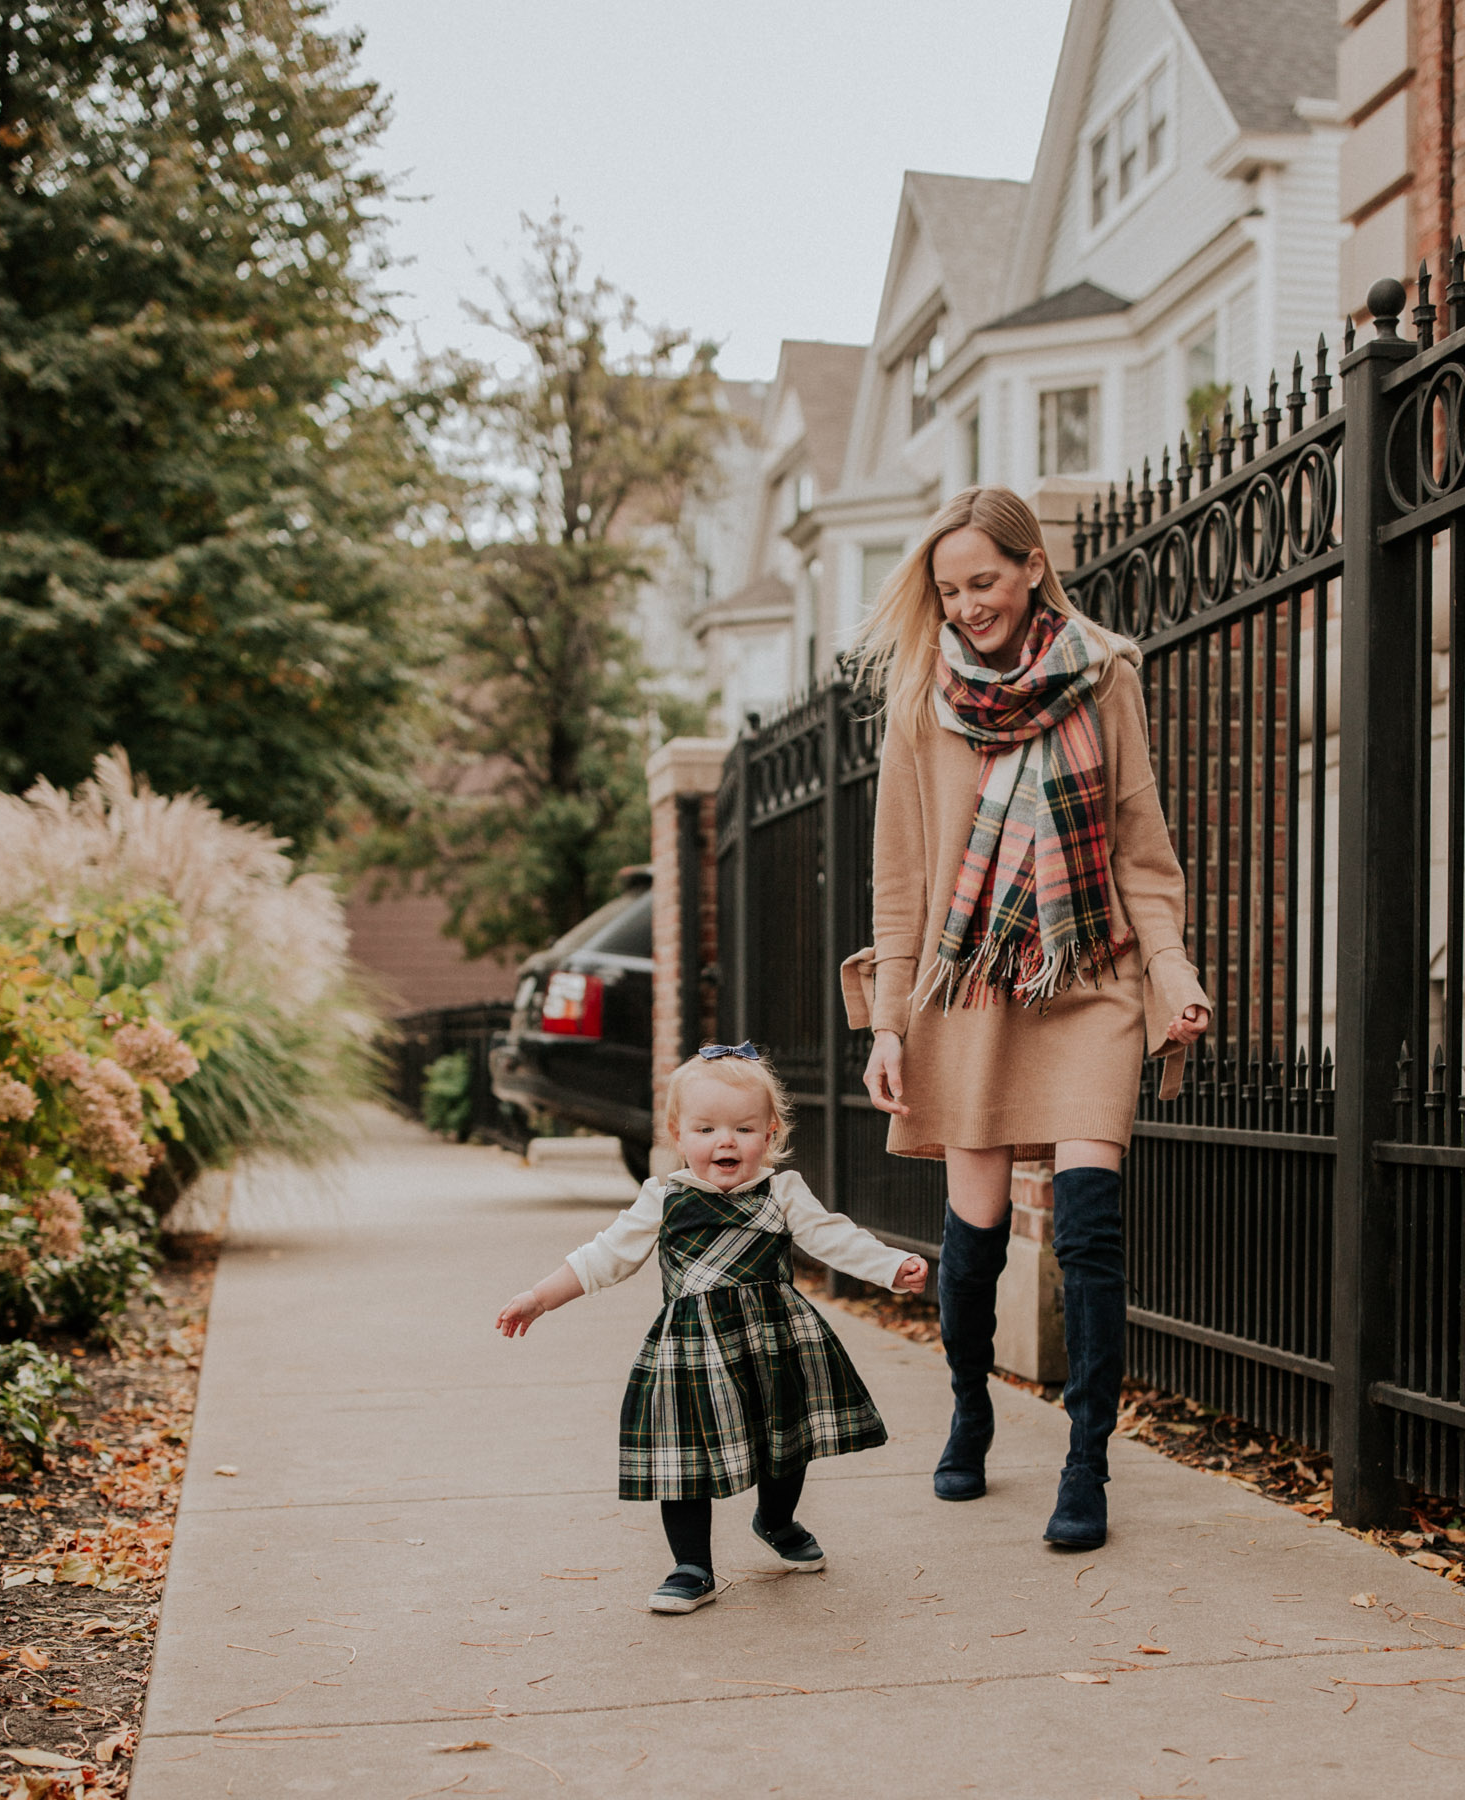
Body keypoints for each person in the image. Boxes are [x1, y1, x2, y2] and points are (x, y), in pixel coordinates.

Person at [850, 485, 1210, 1552]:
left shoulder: (1105, 678)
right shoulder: (921, 705)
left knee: (1091, 1231)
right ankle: (969, 1408)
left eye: (984, 582)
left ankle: (1087, 1459)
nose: (966, 606)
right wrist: (886, 1021)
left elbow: (1142, 845)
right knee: (977, 1241)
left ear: (1032, 569)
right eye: (949, 589)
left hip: (1087, 975)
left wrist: (1171, 971)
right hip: (970, 990)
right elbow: (902, 878)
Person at [495, 1043, 928, 1614]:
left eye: (743, 1129)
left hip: (776, 1341)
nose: (725, 1141)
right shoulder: (664, 1198)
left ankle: (776, 1520)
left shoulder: (781, 1191)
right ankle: (691, 1564)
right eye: (706, 1129)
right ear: (679, 1134)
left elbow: (833, 1237)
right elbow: (604, 1257)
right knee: (684, 1457)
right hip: (691, 1352)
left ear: (769, 1134)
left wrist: (890, 1267)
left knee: (786, 1439)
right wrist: (540, 1297)